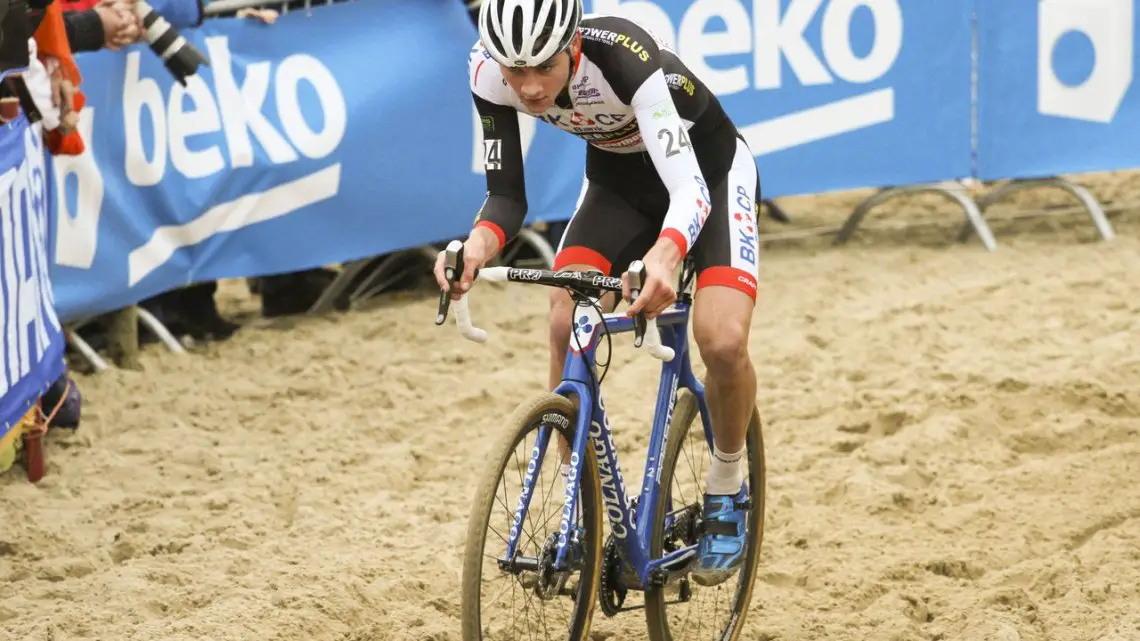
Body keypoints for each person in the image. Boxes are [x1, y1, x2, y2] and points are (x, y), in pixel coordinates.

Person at [434, 0, 762, 587]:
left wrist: (665, 254)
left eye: (543, 68)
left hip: (708, 177)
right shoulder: (488, 72)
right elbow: (506, 199)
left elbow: (687, 189)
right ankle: (576, 508)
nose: (530, 88)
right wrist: (474, 250)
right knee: (565, 315)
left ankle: (726, 488)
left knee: (721, 339)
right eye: (516, 71)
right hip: (618, 187)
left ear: (573, 48)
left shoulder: (625, 60)